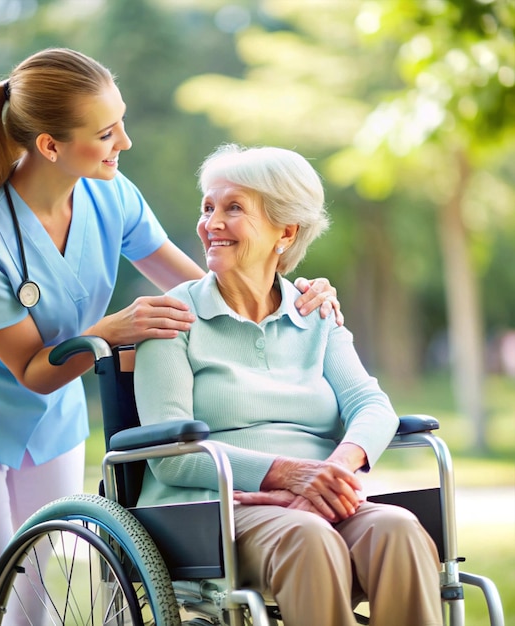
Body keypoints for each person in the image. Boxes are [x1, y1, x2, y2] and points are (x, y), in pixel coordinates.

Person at [0, 49, 341, 626]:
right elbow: (32, 372)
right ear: (50, 146)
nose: (125, 142)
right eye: (107, 132)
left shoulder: (110, 194)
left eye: (122, 122)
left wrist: (294, 292)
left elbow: (208, 287)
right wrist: (109, 331)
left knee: (39, 595)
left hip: (52, 422)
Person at [134, 144, 443, 626]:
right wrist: (289, 474)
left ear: (287, 231)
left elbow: (372, 405)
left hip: (321, 499)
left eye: (233, 208)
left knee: (399, 529)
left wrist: (332, 473)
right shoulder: (173, 318)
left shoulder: (315, 312)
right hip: (216, 512)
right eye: (208, 207)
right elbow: (173, 456)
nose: (211, 223)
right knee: (307, 537)